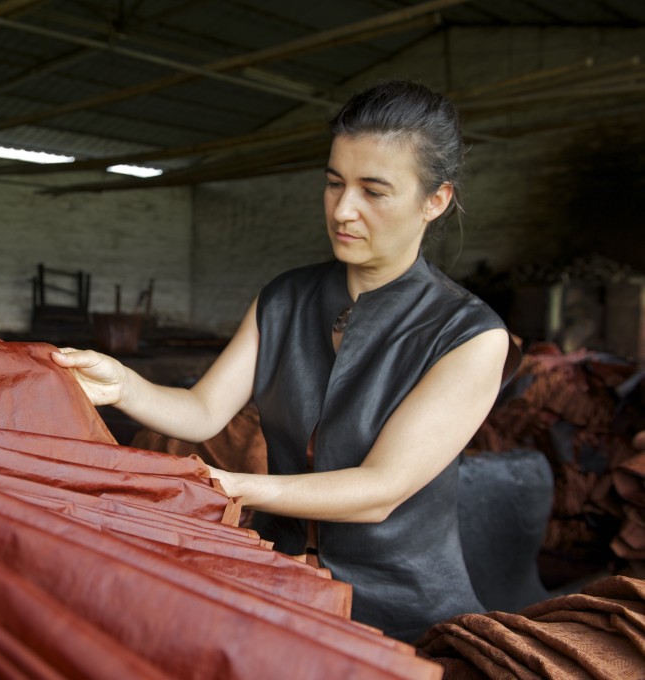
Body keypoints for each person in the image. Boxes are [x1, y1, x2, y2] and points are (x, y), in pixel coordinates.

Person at [51, 79, 520, 643]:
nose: (343, 209)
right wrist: (122, 384)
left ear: (435, 201)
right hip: (283, 579)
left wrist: (231, 486)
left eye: (373, 191)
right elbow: (203, 412)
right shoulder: (284, 298)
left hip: (403, 607)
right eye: (333, 183)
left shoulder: (468, 333)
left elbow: (380, 490)